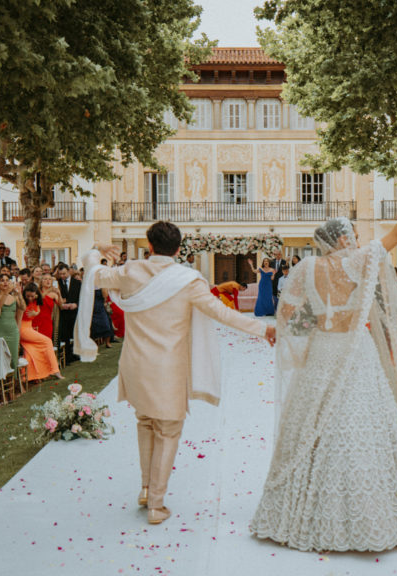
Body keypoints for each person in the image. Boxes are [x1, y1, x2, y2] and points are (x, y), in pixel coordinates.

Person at [250, 166, 397, 552]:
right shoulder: (359, 262)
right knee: (363, 422)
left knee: (314, 423)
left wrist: (302, 325)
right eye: (352, 235)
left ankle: (302, 509)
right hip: (356, 353)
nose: (356, 240)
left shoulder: (304, 268)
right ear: (341, 238)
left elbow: (287, 316)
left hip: (323, 350)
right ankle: (371, 511)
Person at [75, 220, 275, 525]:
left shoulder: (129, 272)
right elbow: (222, 314)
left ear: (149, 245)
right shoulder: (188, 280)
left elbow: (93, 274)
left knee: (144, 421)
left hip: (135, 365)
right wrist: (263, 329)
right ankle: (155, 504)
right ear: (179, 249)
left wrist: (96, 250)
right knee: (167, 431)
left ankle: (145, 489)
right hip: (168, 369)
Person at [20, 284, 62, 381]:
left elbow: (38, 308)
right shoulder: (22, 302)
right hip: (23, 329)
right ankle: (55, 370)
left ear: (36, 295)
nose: (30, 298)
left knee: (32, 351)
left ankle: (33, 376)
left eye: (32, 296)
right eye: (28, 296)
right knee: (47, 341)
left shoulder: (36, 301)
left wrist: (36, 313)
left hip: (29, 328)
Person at [0, 273, 23, 376]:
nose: (5, 282)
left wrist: (19, 294)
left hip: (13, 330)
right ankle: (3, 385)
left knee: (14, 357)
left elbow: (23, 307)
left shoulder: (14, 297)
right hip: (0, 329)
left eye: (7, 280)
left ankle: (15, 382)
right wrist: (5, 293)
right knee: (2, 358)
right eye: (2, 280)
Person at [57, 263, 81, 362]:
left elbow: (82, 297)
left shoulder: (77, 283)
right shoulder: (57, 283)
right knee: (65, 335)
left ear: (69, 271)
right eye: (60, 274)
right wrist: (62, 304)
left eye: (64, 273)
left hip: (75, 312)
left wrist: (76, 304)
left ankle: (77, 354)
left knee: (75, 334)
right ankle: (67, 357)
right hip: (63, 313)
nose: (63, 276)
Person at [37, 274, 61, 340]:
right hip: (37, 320)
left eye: (50, 279)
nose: (48, 281)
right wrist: (49, 290)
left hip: (48, 321)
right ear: (41, 281)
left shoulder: (53, 294)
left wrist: (59, 294)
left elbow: (61, 306)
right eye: (45, 279)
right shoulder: (37, 291)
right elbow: (39, 299)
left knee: (47, 341)